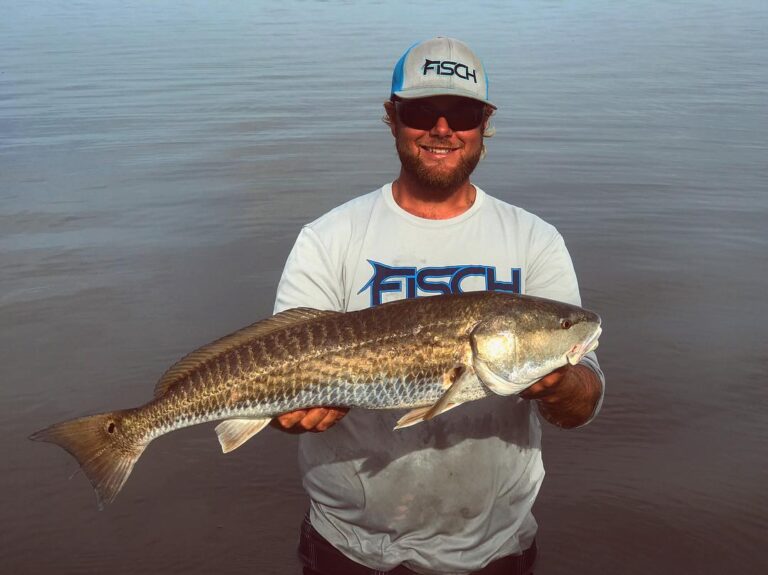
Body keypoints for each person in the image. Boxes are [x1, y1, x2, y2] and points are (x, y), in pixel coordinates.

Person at [272, 37, 605, 575]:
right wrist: (286, 416)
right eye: (422, 111)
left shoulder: (534, 240)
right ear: (392, 117)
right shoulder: (329, 237)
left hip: (494, 549)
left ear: (485, 123)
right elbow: (280, 375)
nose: (443, 129)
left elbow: (583, 400)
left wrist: (560, 381)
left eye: (464, 113)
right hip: (348, 547)